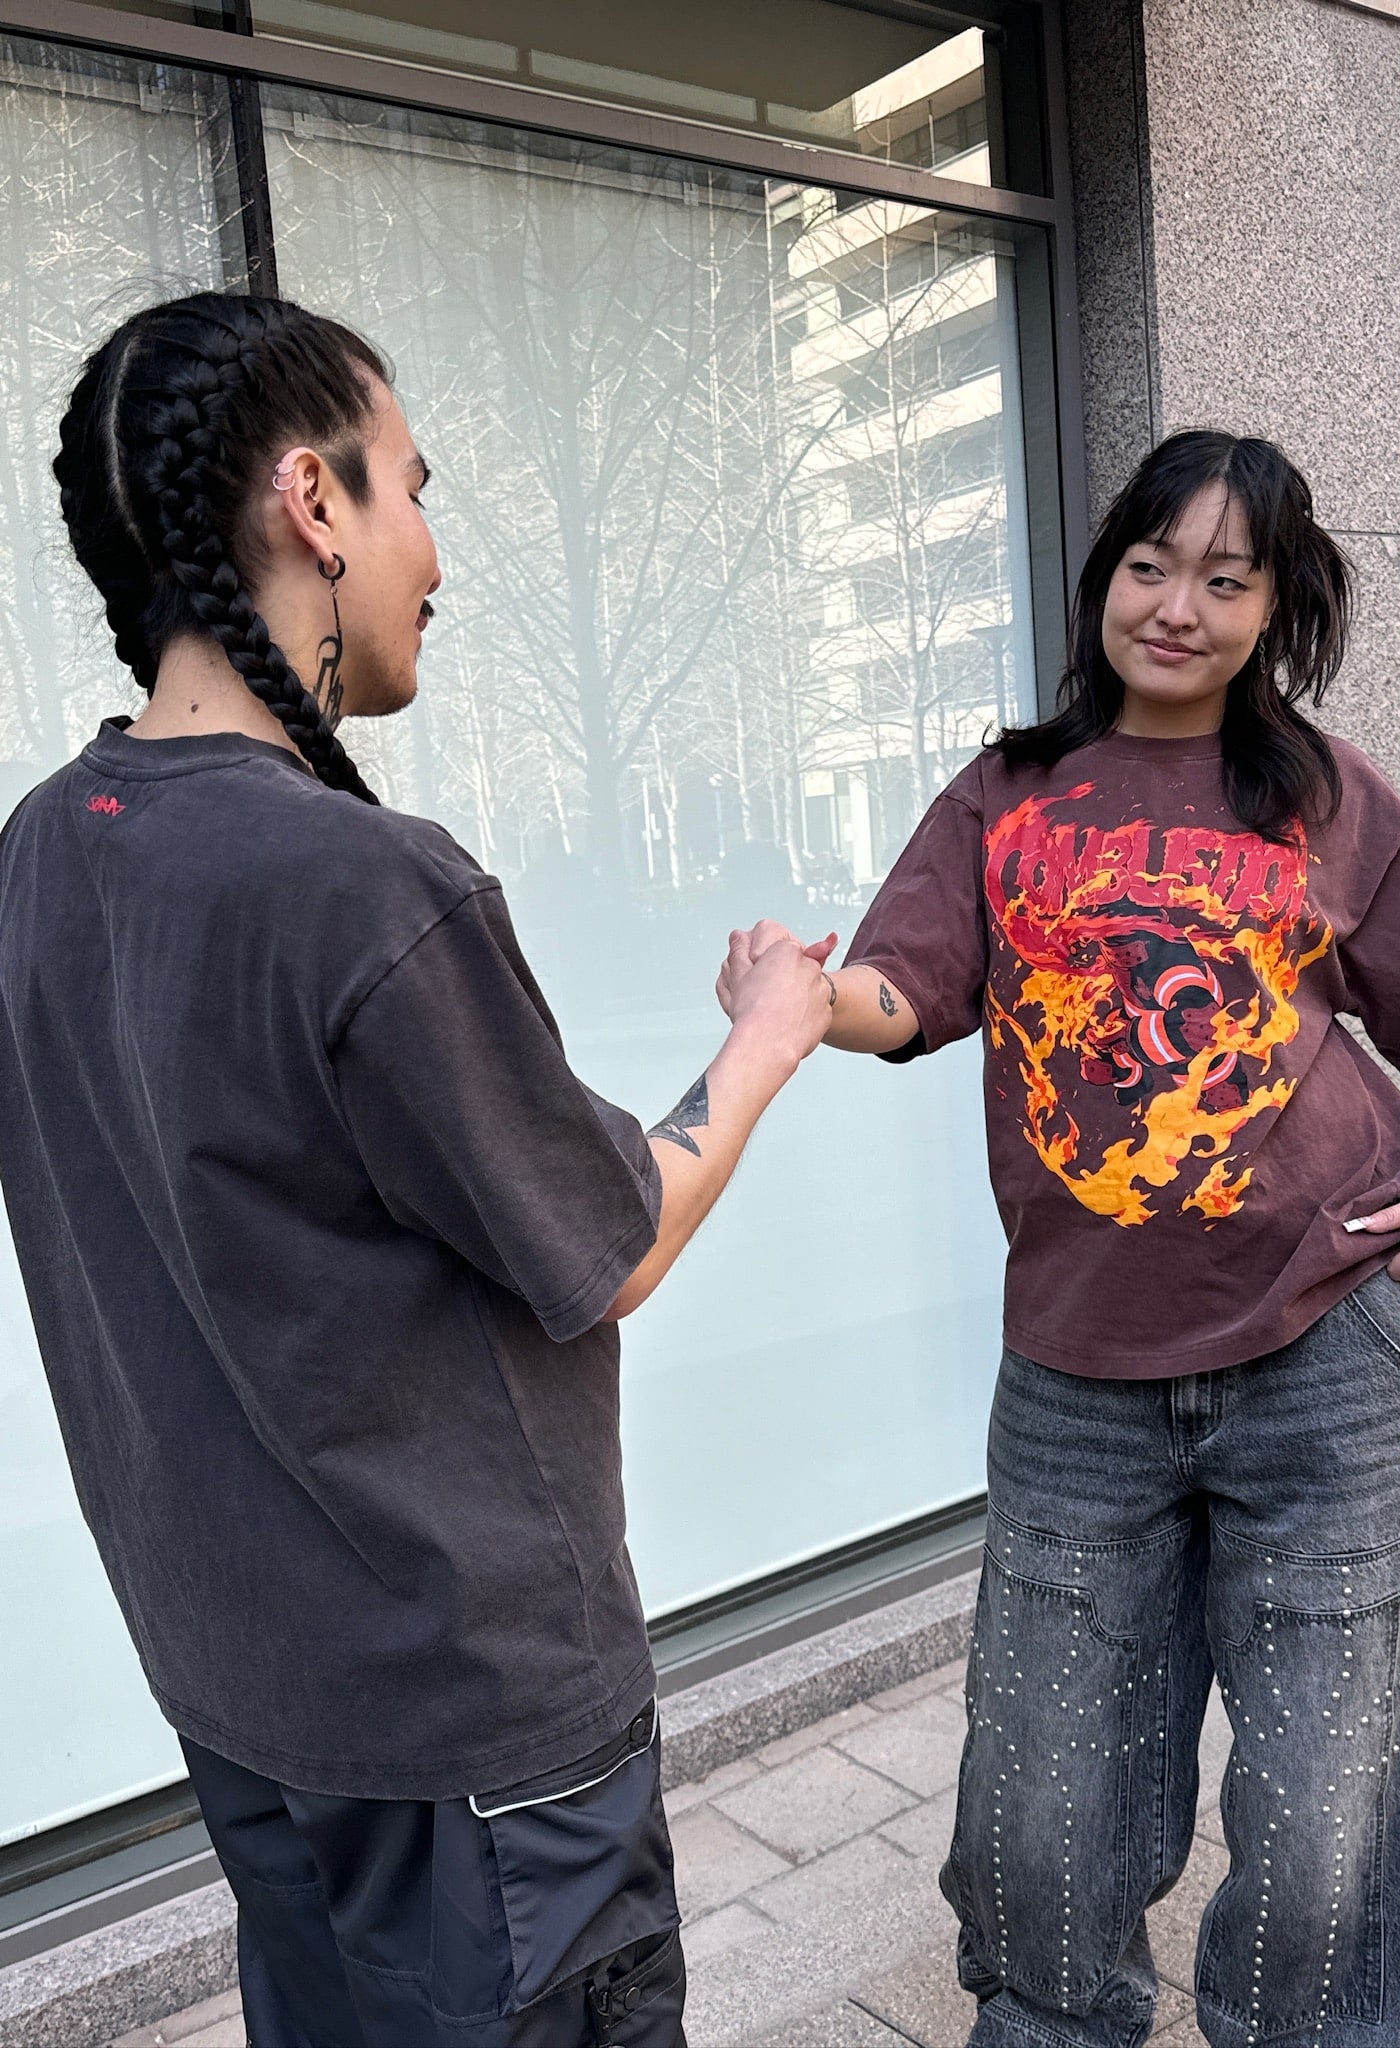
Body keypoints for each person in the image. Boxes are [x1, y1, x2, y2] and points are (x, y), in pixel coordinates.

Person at [0, 290, 836, 2047]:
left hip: (240, 1686)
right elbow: (609, 1246)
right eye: (417, 488)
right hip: (473, 1735)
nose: (434, 556)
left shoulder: (40, 852)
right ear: (315, 501)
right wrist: (770, 1034)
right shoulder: (362, 886)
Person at [721, 432, 1400, 2046]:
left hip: (1331, 1350)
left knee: (1320, 1817)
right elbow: (909, 987)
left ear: (1275, 606)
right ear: (1105, 580)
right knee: (1040, 1810)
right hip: (1078, 1377)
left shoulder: (1323, 797)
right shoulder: (1009, 792)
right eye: (1151, 568)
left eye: (1225, 580)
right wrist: (804, 1004)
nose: (1177, 607)